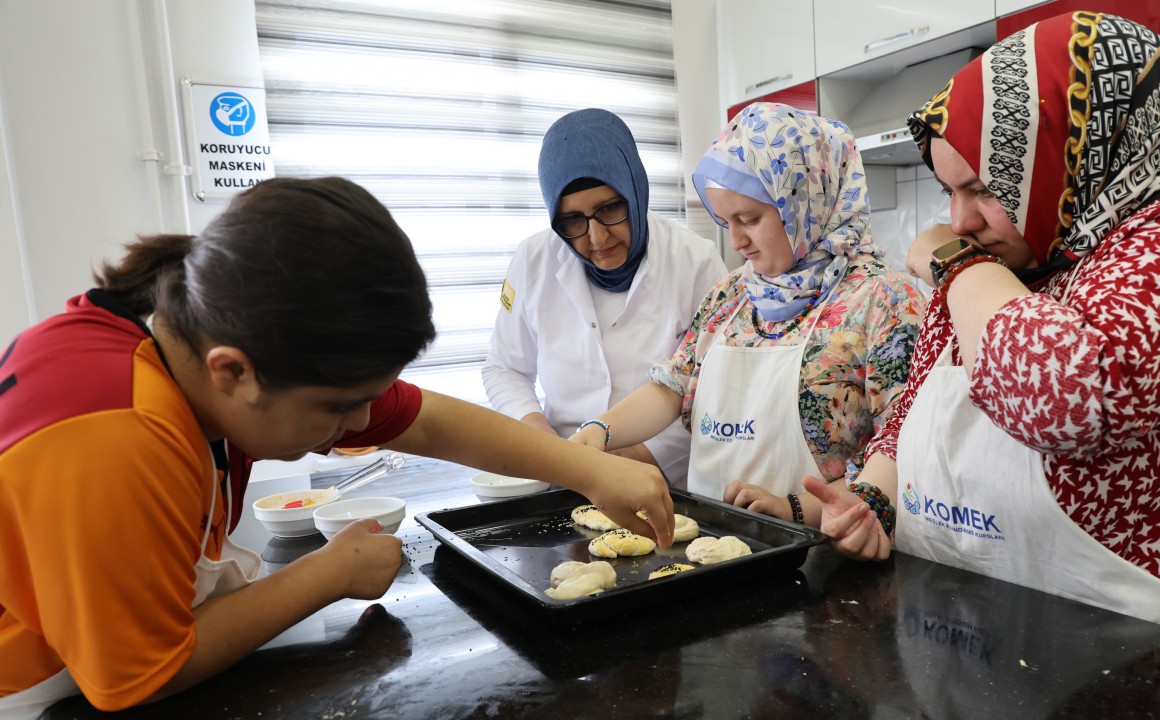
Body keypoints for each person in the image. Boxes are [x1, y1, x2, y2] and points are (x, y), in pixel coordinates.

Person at [0, 177, 676, 715]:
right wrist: (329, 572)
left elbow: (429, 422)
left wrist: (588, 470)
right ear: (232, 372)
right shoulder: (114, 437)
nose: (358, 425)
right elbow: (138, 675)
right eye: (338, 408)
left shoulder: (206, 327)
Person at [804, 11, 1160, 654]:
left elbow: (1061, 399)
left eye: (982, 189)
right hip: (977, 638)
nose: (959, 220)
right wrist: (874, 502)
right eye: (948, 192)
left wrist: (956, 264)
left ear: (1072, 156)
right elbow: (915, 409)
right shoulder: (1012, 261)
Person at [571, 102, 926, 526]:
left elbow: (905, 447)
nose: (737, 241)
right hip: (714, 546)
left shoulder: (885, 300)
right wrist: (598, 431)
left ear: (805, 202)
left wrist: (796, 509)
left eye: (750, 219)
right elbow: (672, 387)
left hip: (827, 553)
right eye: (726, 222)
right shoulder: (733, 293)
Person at [482, 108, 726, 486]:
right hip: (561, 476)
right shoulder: (533, 259)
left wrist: (630, 462)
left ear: (634, 189)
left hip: (665, 479)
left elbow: (713, 389)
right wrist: (547, 448)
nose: (597, 238)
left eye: (609, 209)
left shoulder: (695, 262)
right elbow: (504, 368)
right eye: (572, 221)